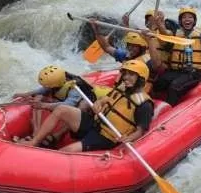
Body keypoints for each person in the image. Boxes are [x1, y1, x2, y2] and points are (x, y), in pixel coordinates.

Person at [25, 60, 154, 152]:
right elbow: (105, 99)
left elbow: (140, 130)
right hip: (95, 123)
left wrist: (128, 138)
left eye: (131, 75)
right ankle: (34, 142)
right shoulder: (121, 88)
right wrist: (99, 103)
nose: (126, 77)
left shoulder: (144, 105)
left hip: (106, 137)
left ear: (141, 79)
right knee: (61, 109)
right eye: (125, 74)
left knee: (68, 150)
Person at [143, 0, 201, 106]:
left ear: (194, 20)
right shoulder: (175, 34)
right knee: (158, 83)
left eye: (190, 17)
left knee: (174, 87)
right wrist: (159, 23)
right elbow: (165, 33)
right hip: (175, 71)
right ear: (180, 21)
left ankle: (170, 112)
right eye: (184, 17)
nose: (187, 19)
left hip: (193, 73)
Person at [12, 65, 96, 146]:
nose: (46, 87)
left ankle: (57, 135)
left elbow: (69, 104)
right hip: (66, 100)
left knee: (82, 106)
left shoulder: (75, 87)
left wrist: (44, 105)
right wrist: (25, 94)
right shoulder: (57, 79)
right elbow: (43, 89)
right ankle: (36, 132)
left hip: (81, 104)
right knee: (38, 98)